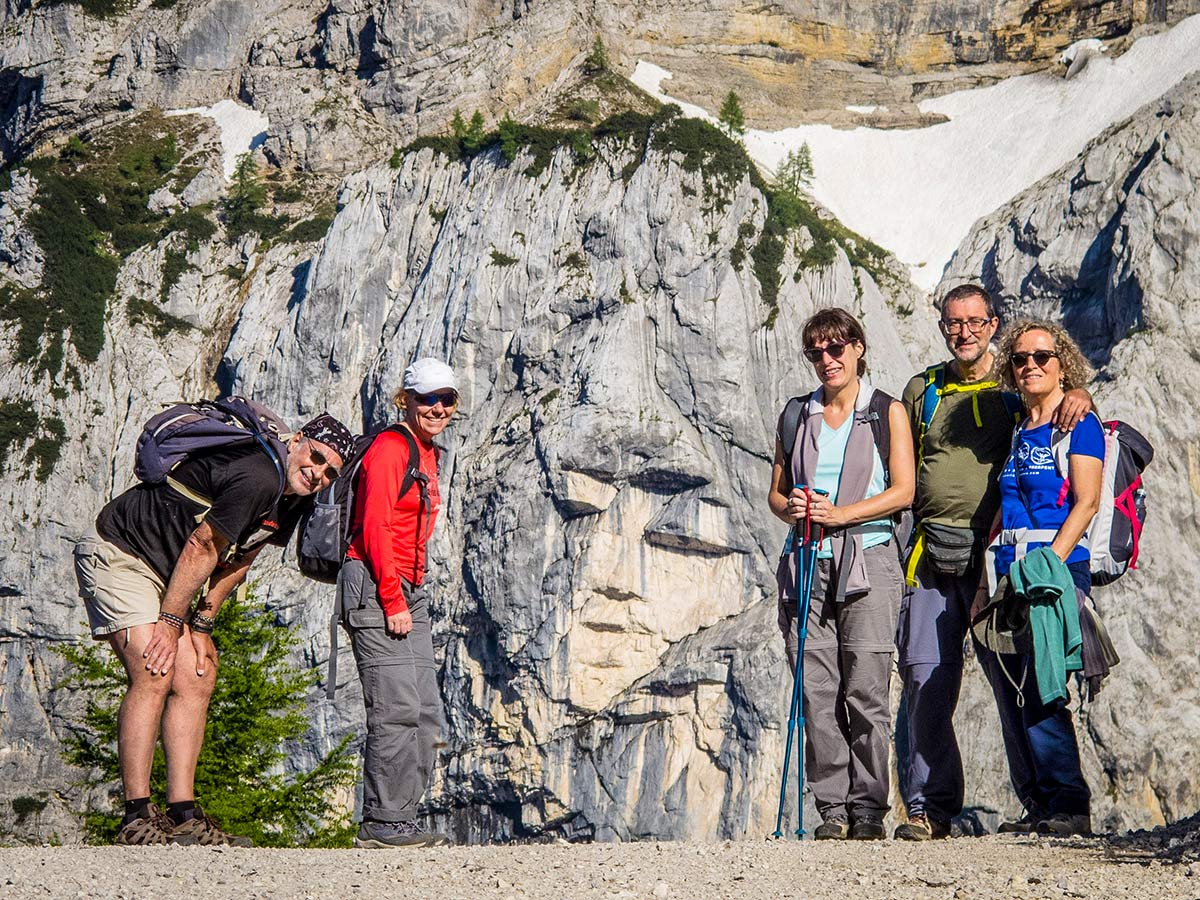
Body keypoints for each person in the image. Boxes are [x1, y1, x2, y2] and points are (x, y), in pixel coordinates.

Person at [74, 411, 354, 846]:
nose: (318, 474)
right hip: (121, 554)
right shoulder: (260, 475)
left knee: (198, 676)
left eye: (330, 471)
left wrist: (201, 624)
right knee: (154, 670)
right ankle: (135, 816)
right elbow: (204, 544)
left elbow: (244, 556)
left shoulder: (293, 494)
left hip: (171, 572)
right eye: (316, 457)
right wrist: (170, 622)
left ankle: (183, 814)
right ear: (297, 441)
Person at [893, 283, 1092, 841]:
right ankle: (931, 808)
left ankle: (1052, 803)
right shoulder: (923, 391)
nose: (964, 332)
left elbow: (1060, 409)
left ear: (992, 324)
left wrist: (1083, 396)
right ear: (943, 327)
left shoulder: (1013, 396)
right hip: (934, 554)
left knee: (1024, 681)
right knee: (928, 679)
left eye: (975, 322)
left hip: (1001, 565)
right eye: (954, 323)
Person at [768, 307, 915, 840]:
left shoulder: (885, 411)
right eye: (816, 352)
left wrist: (841, 514)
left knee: (867, 688)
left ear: (857, 347)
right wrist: (797, 510)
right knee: (816, 687)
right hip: (807, 560)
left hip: (870, 557)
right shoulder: (795, 414)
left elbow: (903, 492)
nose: (826, 360)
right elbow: (776, 495)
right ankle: (832, 809)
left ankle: (869, 810)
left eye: (836, 348)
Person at [973, 320, 1103, 837]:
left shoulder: (1077, 424)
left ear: (1062, 363)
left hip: (1052, 570)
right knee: (1018, 687)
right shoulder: (1020, 428)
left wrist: (1051, 561)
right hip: (1009, 572)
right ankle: (1040, 803)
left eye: (1042, 357)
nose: (1030, 365)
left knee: (1046, 683)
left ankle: (1068, 804)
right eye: (1021, 358)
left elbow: (1087, 501)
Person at [340, 358, 459, 849]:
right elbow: (373, 528)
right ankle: (382, 822)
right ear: (404, 400)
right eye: (427, 398)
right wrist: (392, 598)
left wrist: (411, 589)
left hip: (409, 588)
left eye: (446, 399)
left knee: (427, 713)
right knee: (396, 709)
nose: (437, 408)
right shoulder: (392, 449)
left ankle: (402, 818)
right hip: (376, 584)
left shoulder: (425, 451)